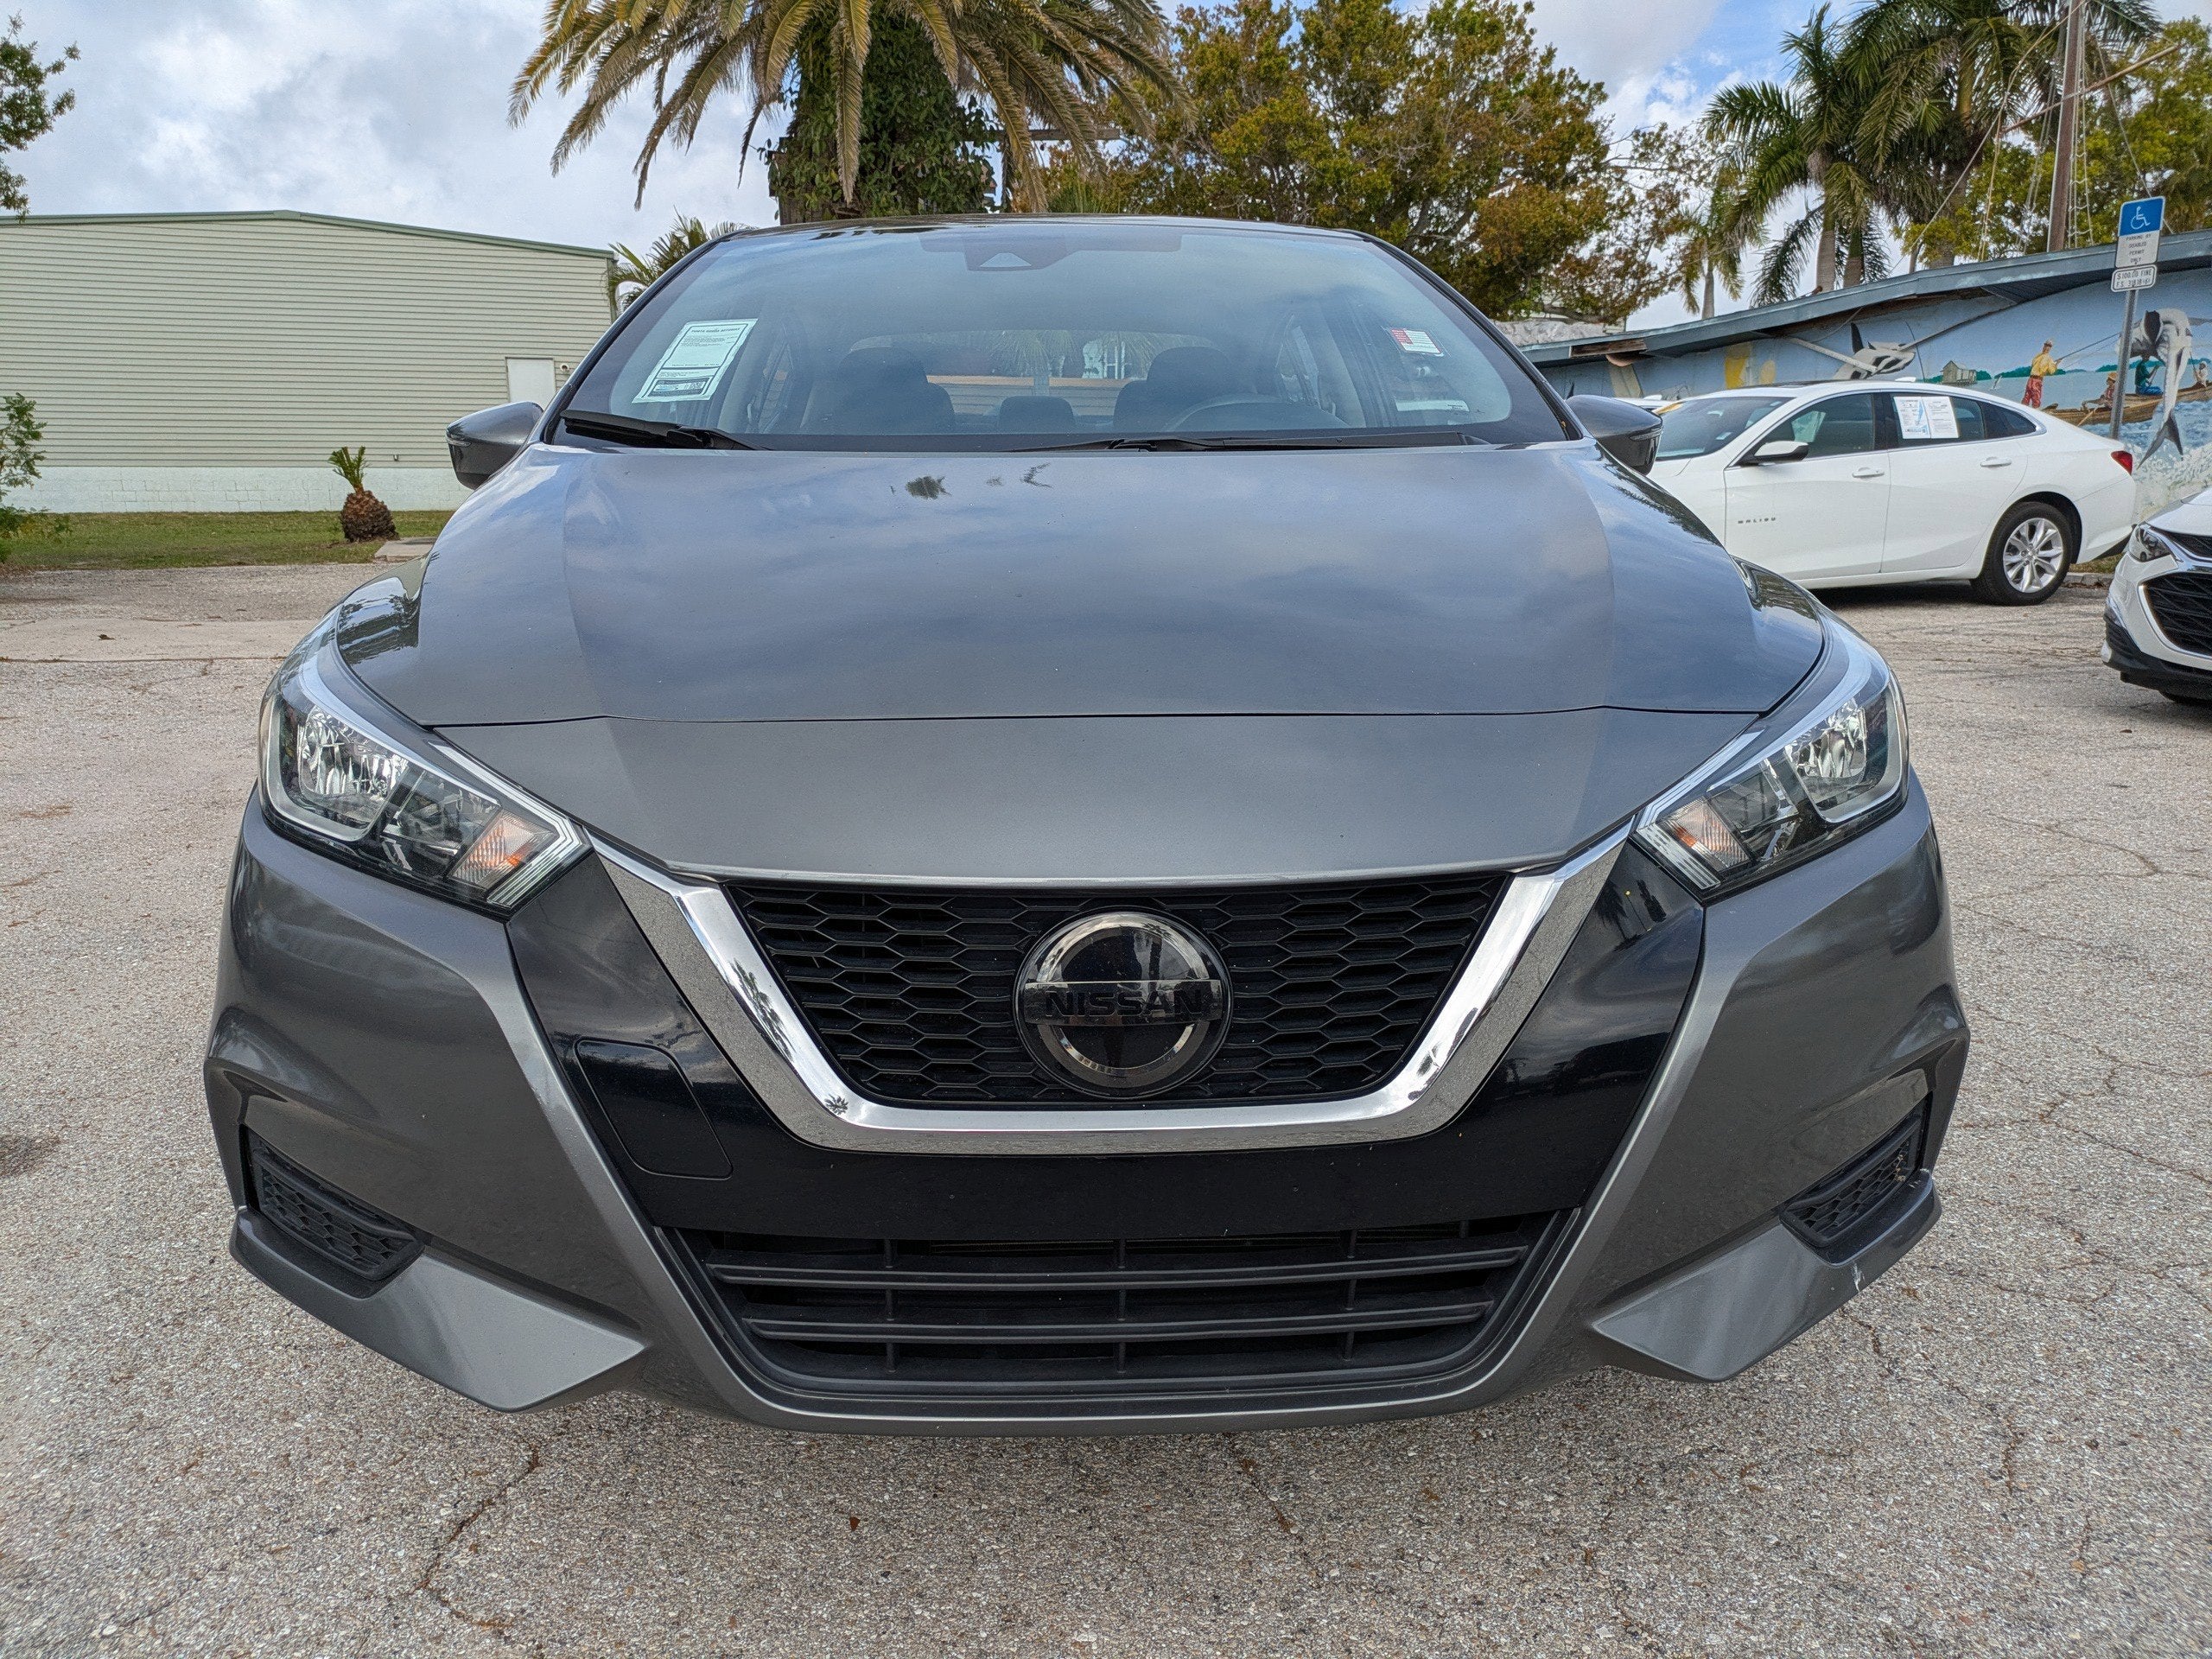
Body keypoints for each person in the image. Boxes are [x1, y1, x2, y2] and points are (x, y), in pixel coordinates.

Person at [2024, 340, 2059, 408]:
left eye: (2049, 347)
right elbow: (2033, 365)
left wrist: (2057, 363)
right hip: (2031, 379)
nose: (2046, 348)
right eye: (2046, 346)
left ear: (2050, 348)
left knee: (2036, 398)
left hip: (2038, 379)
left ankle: (2036, 412)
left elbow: (2052, 371)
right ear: (2044, 346)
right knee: (2026, 397)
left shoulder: (2049, 359)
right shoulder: (2038, 356)